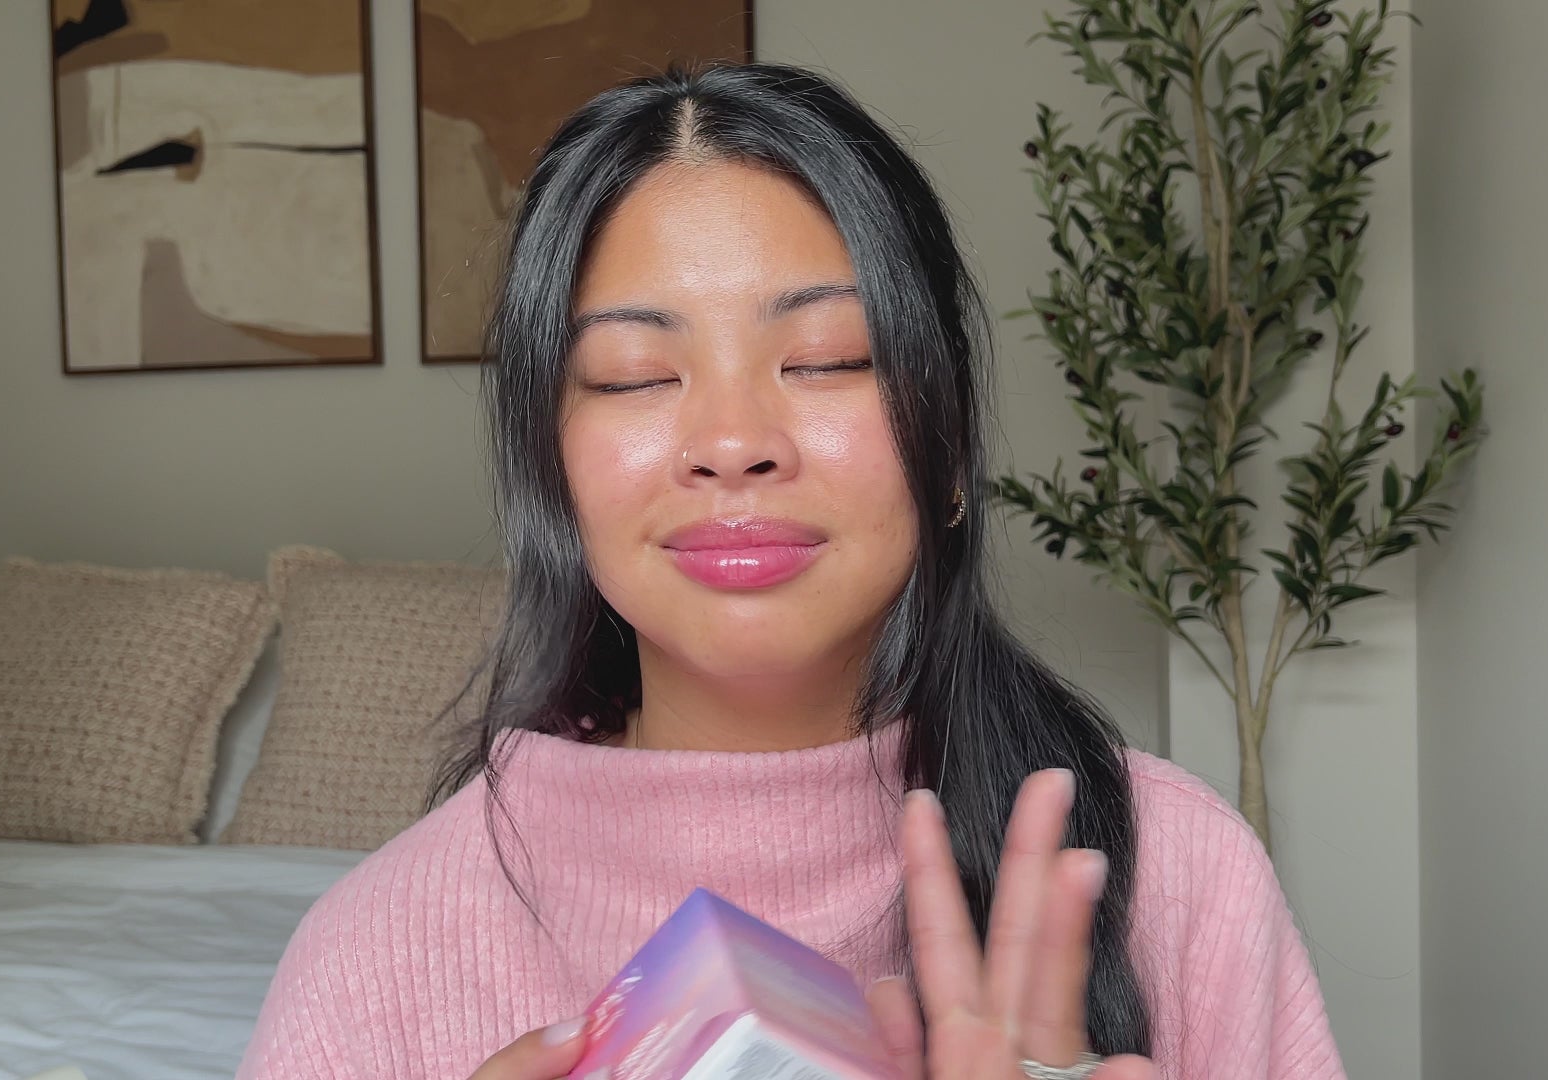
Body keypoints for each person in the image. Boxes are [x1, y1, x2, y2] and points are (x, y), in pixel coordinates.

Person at [237, 62, 1344, 1080]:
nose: (732, 442)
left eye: (826, 359)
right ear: (550, 470)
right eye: (633, 375)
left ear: (950, 449)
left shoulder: (1177, 873)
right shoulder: (373, 957)